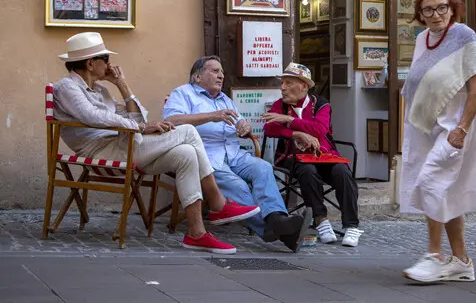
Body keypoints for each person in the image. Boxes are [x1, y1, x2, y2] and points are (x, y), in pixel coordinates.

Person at [52, 32, 260, 255]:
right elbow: (92, 116)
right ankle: (217, 202)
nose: (110, 65)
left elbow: (137, 119)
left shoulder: (101, 90)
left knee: (187, 153)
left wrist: (122, 85)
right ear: (91, 63)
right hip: (99, 152)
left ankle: (196, 234)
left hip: (123, 145)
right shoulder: (66, 87)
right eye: (106, 59)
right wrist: (141, 128)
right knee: (188, 131)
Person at [163, 56, 312, 253]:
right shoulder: (183, 93)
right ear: (197, 77)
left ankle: (277, 218)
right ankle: (275, 229)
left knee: (263, 168)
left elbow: (240, 123)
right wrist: (211, 116)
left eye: (222, 72)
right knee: (238, 185)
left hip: (234, 153)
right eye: (215, 71)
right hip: (205, 155)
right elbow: (172, 120)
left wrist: (244, 125)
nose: (221, 75)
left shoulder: (224, 99)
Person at [400, 0, 476, 283]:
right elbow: (419, 85)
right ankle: (462, 262)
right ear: (420, 14)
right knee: (444, 191)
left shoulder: (464, 35)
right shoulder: (422, 39)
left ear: (452, 8)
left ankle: (435, 255)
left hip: (458, 122)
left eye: (441, 8)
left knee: (431, 181)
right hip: (431, 124)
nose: (436, 14)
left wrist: (463, 128)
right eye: (428, 9)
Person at [262, 63, 363, 247]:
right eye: (282, 83)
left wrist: (290, 121)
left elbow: (320, 129)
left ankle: (351, 225)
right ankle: (321, 220)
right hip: (292, 158)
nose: (283, 88)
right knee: (307, 171)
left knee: (342, 171)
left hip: (324, 156)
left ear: (304, 86)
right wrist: (297, 133)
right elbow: (269, 127)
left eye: (289, 83)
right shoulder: (280, 105)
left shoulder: (321, 104)